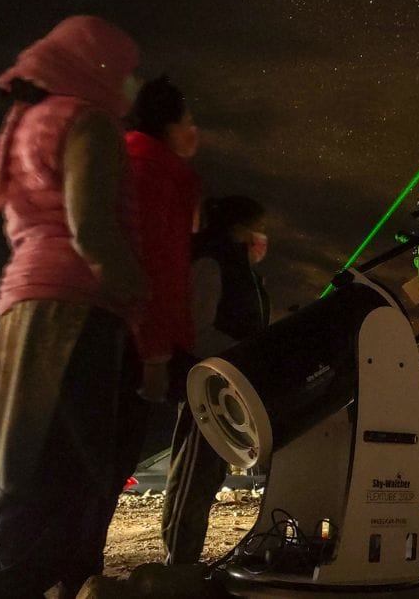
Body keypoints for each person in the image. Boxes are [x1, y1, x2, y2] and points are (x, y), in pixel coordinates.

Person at [0, 15, 147, 598]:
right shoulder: (87, 121)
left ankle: (5, 581)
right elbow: (90, 229)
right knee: (64, 467)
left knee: (14, 463)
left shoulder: (27, 122)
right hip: (73, 310)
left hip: (21, 304)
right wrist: (139, 297)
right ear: (98, 67)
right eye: (126, 70)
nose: (130, 84)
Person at [162, 195, 271, 566]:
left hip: (226, 386)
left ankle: (185, 559)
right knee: (193, 477)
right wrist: (242, 356)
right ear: (238, 229)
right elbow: (195, 331)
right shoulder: (212, 264)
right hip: (206, 389)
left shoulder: (242, 273)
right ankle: (178, 563)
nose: (261, 238)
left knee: (207, 479)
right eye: (255, 228)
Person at [123, 75, 202, 403]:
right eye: (188, 120)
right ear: (168, 126)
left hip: (135, 339)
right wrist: (154, 355)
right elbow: (149, 261)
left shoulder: (145, 166)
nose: (194, 130)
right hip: (132, 346)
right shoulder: (150, 173)